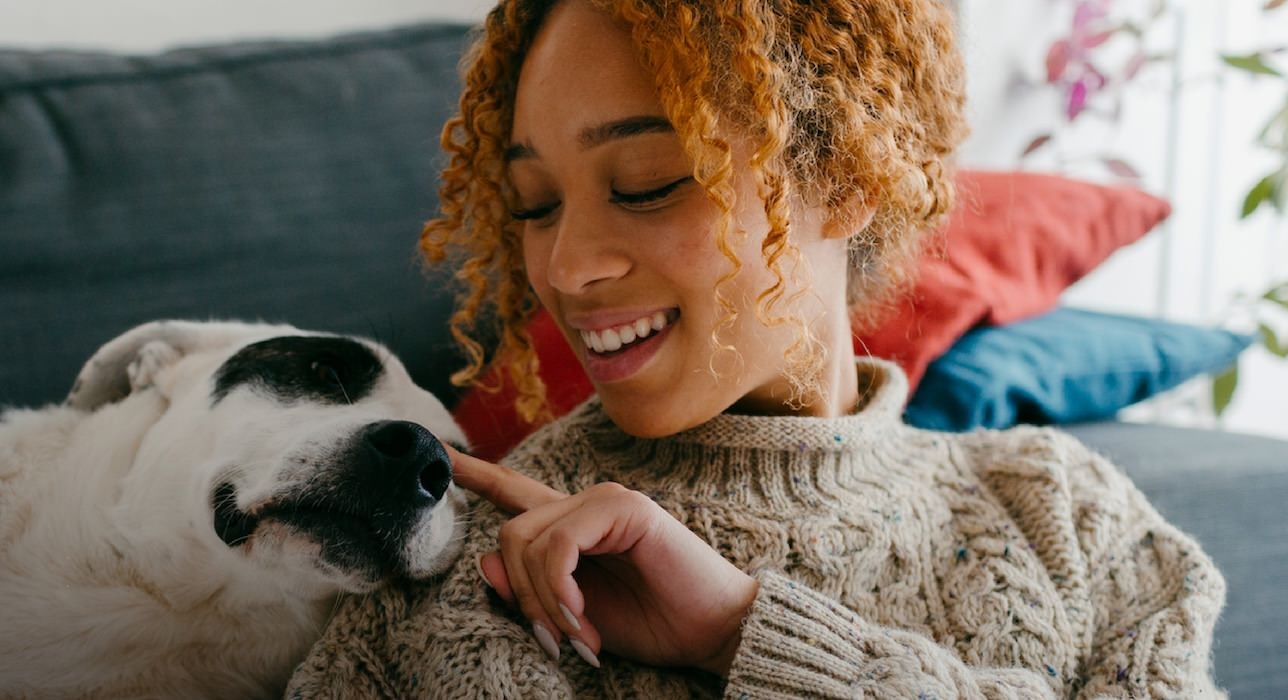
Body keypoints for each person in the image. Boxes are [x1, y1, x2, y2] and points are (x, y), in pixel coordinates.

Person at [285, 0, 1226, 697]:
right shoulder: (480, 570)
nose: (567, 267)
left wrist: (745, 634)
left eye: (650, 183)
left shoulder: (1077, 519)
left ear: (848, 176)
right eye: (536, 205)